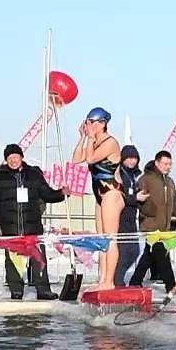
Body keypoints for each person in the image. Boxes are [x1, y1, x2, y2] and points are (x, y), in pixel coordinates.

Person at [0, 143, 67, 300]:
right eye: (10, 158)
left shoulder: (34, 175)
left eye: (16, 157)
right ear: (6, 160)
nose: (13, 161)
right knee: (12, 262)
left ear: (21, 157)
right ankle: (16, 289)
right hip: (10, 227)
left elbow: (47, 194)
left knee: (39, 259)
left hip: (32, 226)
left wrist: (61, 194)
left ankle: (43, 290)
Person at [71, 107, 122, 291]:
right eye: (87, 122)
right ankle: (102, 280)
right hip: (98, 194)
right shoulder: (94, 141)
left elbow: (91, 159)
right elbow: (77, 159)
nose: (89, 126)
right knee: (101, 239)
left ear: (102, 123)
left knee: (110, 238)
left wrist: (91, 138)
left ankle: (110, 281)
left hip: (112, 192)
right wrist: (83, 137)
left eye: (92, 123)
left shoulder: (110, 142)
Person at [129, 150, 176, 291]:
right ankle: (171, 285)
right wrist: (151, 211)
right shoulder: (146, 179)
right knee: (161, 253)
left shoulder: (169, 182)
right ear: (157, 163)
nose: (168, 167)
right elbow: (140, 200)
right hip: (150, 224)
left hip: (163, 225)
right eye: (165, 163)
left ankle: (135, 281)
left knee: (149, 255)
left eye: (170, 164)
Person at [113, 145, 143, 287]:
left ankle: (118, 278)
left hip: (132, 217)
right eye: (129, 158)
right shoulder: (120, 174)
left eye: (135, 158)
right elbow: (120, 197)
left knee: (134, 251)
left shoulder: (135, 176)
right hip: (121, 217)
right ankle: (117, 280)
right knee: (125, 252)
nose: (132, 161)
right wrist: (135, 198)